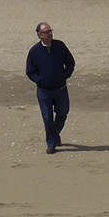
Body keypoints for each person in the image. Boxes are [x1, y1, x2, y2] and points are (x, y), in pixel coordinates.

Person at [26, 22, 76, 154]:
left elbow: (70, 62)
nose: (49, 34)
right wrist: (40, 81)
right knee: (47, 117)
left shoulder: (60, 46)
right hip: (44, 91)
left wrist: (65, 75)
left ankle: (54, 133)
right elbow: (30, 71)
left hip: (60, 89)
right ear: (39, 35)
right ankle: (51, 143)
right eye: (46, 32)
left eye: (50, 31)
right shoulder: (34, 51)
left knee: (62, 113)